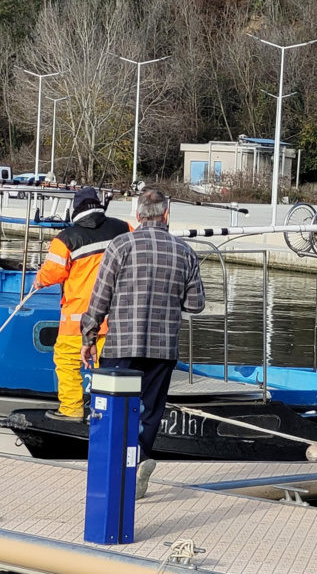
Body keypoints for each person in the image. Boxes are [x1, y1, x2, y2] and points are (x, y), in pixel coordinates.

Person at [81, 190, 205, 499]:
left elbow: (100, 297)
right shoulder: (185, 251)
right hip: (163, 350)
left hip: (121, 345)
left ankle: (119, 473)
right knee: (150, 411)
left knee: (113, 410)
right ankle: (140, 460)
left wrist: (89, 337)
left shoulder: (120, 245)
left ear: (138, 215)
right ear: (165, 215)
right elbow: (196, 305)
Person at [35, 187, 131, 421]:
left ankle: (72, 409)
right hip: (116, 316)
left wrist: (38, 280)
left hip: (78, 318)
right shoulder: (123, 228)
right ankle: (109, 412)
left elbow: (52, 274)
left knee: (67, 361)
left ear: (75, 210)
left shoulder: (66, 238)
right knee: (109, 367)